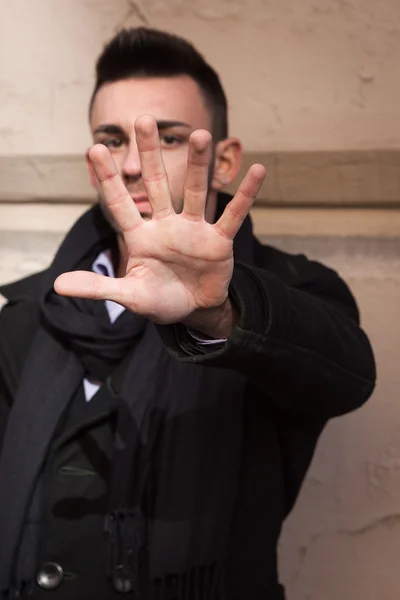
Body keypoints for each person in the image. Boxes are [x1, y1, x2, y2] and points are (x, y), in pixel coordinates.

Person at [0, 27, 376, 600]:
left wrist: (220, 313)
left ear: (223, 161)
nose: (131, 164)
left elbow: (347, 375)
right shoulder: (30, 310)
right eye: (111, 139)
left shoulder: (288, 292)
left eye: (166, 138)